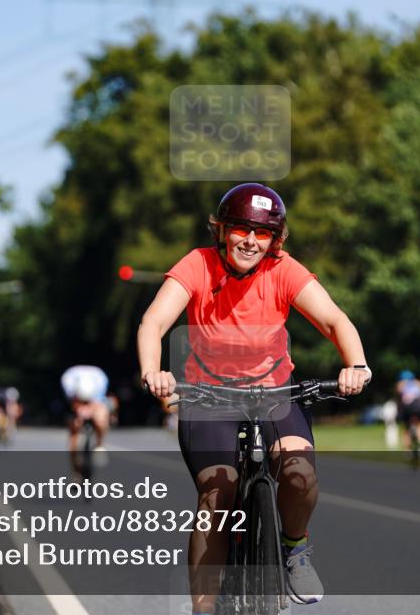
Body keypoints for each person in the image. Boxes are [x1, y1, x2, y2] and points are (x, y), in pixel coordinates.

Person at [138, 183, 371, 612]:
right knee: (218, 495)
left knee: (299, 474)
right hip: (209, 398)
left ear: (274, 240)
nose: (250, 240)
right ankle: (204, 608)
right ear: (222, 230)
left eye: (262, 232)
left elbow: (334, 321)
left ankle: (295, 547)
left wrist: (356, 365)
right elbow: (153, 322)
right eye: (241, 229)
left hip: (275, 393)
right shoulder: (198, 265)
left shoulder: (284, 270)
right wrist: (154, 371)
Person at [61, 365, 111, 474]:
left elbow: (99, 403)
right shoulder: (68, 382)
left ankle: (99, 444)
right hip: (75, 403)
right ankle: (75, 469)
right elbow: (72, 403)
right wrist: (79, 411)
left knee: (101, 418)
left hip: (95, 402)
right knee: (74, 431)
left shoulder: (100, 381)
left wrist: (92, 411)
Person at [395, 370, 420, 450]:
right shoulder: (419, 383)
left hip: (407, 408)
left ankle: (407, 449)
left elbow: (398, 399)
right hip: (418, 406)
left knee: (406, 427)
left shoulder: (400, 384)